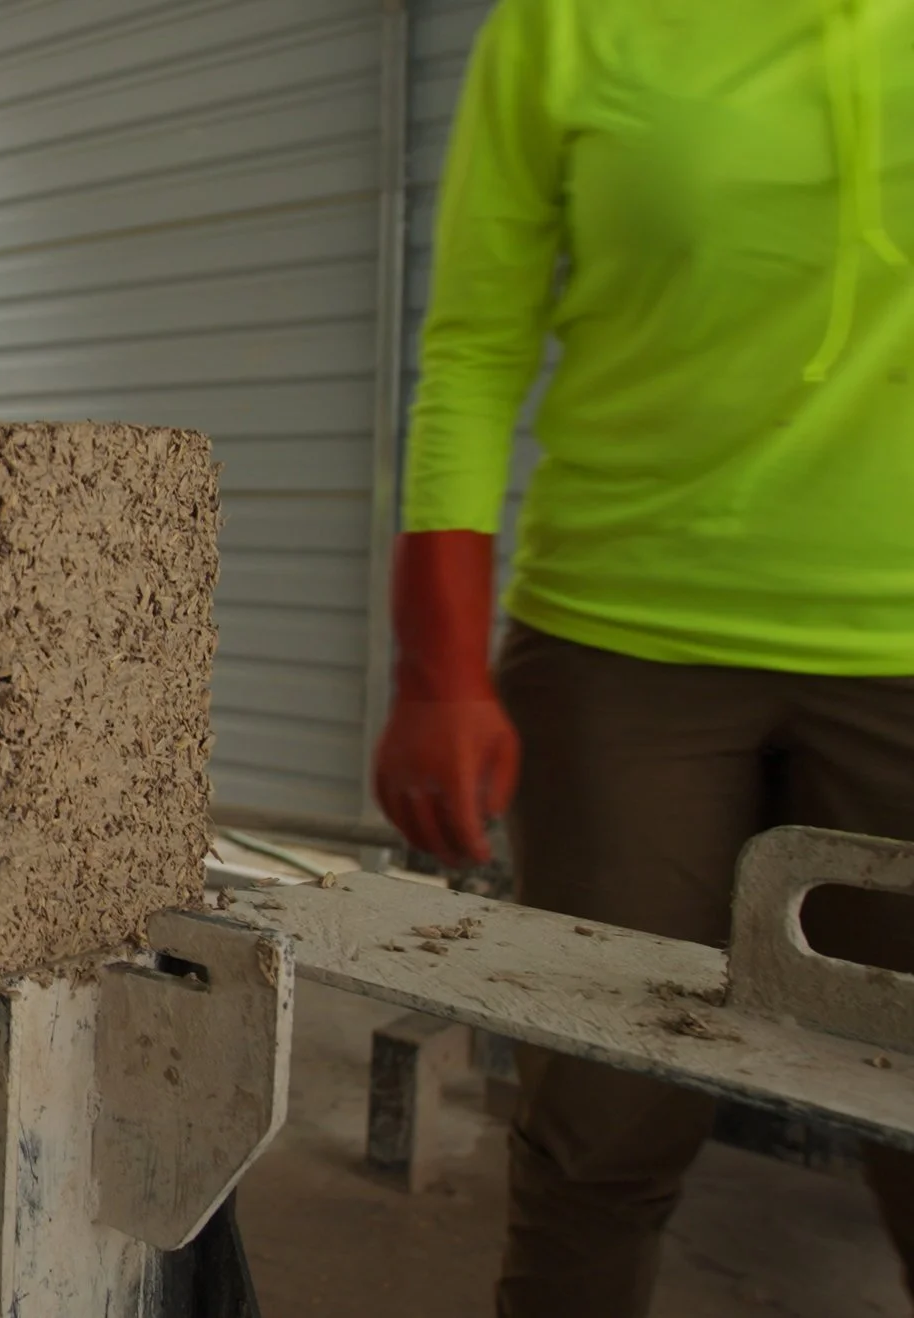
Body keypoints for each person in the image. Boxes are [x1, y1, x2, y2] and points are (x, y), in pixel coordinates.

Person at [378, 0, 914, 1311]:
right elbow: (474, 342)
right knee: (599, 1129)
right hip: (620, 647)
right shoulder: (567, 26)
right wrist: (439, 669)